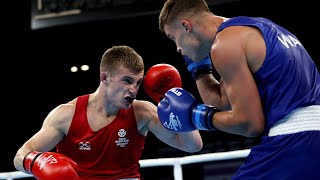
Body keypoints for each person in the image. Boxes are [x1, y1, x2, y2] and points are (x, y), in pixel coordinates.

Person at [156, 0, 320, 179]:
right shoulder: (254, 28)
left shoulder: (225, 45)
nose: (178, 49)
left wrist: (197, 117)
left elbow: (250, 124)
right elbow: (224, 105)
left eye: (173, 38)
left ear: (186, 26)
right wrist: (200, 72)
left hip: (295, 140)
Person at [13, 45, 203, 180]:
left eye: (138, 83)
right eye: (127, 81)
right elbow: (20, 156)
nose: (134, 89)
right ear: (104, 77)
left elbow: (192, 146)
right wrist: (37, 162)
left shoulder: (141, 112)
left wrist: (177, 105)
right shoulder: (67, 115)